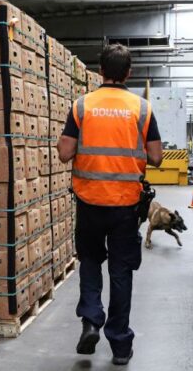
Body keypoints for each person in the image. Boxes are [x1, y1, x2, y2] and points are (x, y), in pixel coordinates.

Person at [56, 44, 163, 365]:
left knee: (89, 262)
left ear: (100, 71)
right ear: (128, 73)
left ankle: (90, 321)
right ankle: (119, 344)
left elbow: (64, 153)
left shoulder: (82, 106)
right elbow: (156, 157)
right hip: (125, 207)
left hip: (89, 203)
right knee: (121, 272)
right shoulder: (141, 109)